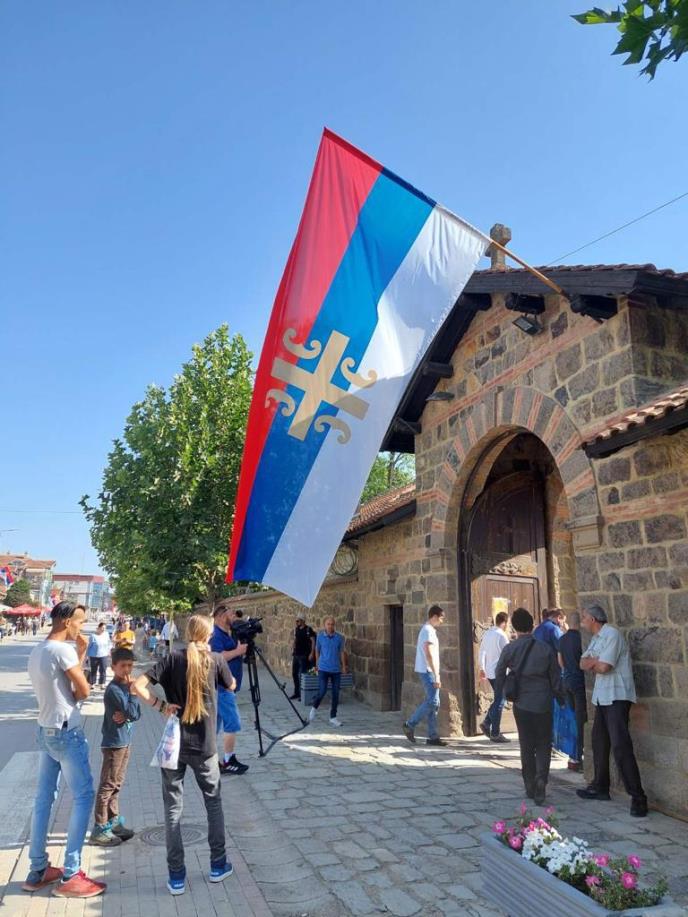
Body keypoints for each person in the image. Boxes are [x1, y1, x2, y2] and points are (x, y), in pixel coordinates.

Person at [132, 615, 234, 896]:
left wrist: (160, 705)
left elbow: (137, 686)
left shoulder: (172, 658)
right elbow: (232, 685)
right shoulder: (215, 659)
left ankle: (176, 876)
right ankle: (218, 865)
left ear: (187, 633)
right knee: (213, 803)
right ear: (208, 634)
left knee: (172, 809)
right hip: (205, 746)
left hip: (174, 744)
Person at [24, 602, 106, 899]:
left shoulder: (39, 650)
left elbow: (60, 686)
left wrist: (81, 652)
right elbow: (82, 690)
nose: (81, 627)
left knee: (44, 799)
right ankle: (72, 873)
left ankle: (37, 869)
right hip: (66, 732)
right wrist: (79, 656)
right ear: (67, 621)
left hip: (45, 730)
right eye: (79, 622)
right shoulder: (62, 650)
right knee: (83, 796)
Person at [576, 603, 648, 818]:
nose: (582, 621)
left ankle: (638, 797)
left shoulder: (612, 635)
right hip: (602, 696)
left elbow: (604, 667)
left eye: (584, 617)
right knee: (599, 741)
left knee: (620, 746)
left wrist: (594, 662)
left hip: (617, 696)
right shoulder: (597, 639)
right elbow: (582, 663)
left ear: (593, 619)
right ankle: (600, 786)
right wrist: (594, 662)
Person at [494, 606, 563, 805]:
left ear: (515, 627)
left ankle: (530, 784)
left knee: (526, 744)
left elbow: (499, 672)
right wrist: (560, 697)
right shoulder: (545, 649)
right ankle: (542, 779)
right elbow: (555, 677)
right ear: (532, 625)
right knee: (543, 743)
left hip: (522, 702)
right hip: (543, 702)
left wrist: (502, 692)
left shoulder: (510, 649)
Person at [90, 648, 142, 846]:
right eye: (123, 666)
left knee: (116, 785)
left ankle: (114, 822)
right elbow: (133, 712)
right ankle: (100, 828)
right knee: (107, 786)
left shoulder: (125, 686)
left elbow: (136, 714)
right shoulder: (114, 689)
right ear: (113, 667)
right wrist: (133, 695)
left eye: (130, 665)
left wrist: (129, 708)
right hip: (114, 744)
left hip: (124, 741)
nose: (127, 669)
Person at [209, 603, 249, 774]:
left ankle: (209, 759)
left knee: (214, 726)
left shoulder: (228, 634)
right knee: (232, 722)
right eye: (230, 614)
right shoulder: (215, 635)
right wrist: (238, 652)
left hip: (225, 686)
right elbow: (217, 656)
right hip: (222, 687)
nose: (233, 616)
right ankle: (228, 760)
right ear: (219, 617)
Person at [402, 606, 448, 747]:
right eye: (441, 618)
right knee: (433, 702)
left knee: (434, 703)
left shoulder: (428, 630)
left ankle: (433, 736)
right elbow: (428, 653)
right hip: (428, 671)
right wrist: (436, 675)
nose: (441, 621)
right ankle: (410, 724)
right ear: (434, 616)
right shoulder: (428, 630)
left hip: (428, 670)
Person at [557, 611, 587, 772]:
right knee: (581, 720)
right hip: (579, 682)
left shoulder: (562, 639)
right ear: (580, 623)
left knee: (573, 718)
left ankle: (572, 756)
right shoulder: (582, 639)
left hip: (566, 681)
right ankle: (578, 756)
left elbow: (560, 661)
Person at [478, 611, 510, 743]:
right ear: (505, 623)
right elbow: (508, 654)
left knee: (498, 700)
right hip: (500, 672)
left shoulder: (488, 633)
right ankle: (495, 733)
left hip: (490, 672)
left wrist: (482, 668)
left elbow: (482, 651)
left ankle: (487, 723)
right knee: (500, 702)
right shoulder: (502, 635)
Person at [309, 616, 347, 727]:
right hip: (323, 668)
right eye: (328, 624)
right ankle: (314, 708)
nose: (330, 626)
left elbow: (342, 652)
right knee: (322, 691)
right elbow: (317, 650)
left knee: (336, 694)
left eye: (332, 624)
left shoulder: (339, 638)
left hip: (335, 669)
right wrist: (317, 664)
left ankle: (333, 717)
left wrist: (344, 666)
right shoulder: (320, 636)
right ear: (325, 625)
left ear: (334, 625)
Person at [289, 616, 316, 700]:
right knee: (294, 674)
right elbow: (296, 638)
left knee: (302, 675)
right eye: (296, 621)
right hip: (296, 655)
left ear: (303, 621)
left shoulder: (308, 629)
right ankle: (296, 692)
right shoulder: (296, 629)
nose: (296, 622)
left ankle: (302, 694)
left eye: (298, 621)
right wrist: (293, 646)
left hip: (304, 655)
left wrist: (312, 653)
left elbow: (313, 641)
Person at [87, 622, 111, 688]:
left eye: (104, 628)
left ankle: (102, 683)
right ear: (99, 628)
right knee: (93, 669)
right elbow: (89, 646)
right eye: (102, 628)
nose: (103, 629)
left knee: (103, 669)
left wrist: (109, 651)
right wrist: (87, 655)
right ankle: (92, 683)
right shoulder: (93, 636)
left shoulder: (106, 634)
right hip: (94, 655)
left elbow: (109, 643)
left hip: (103, 655)